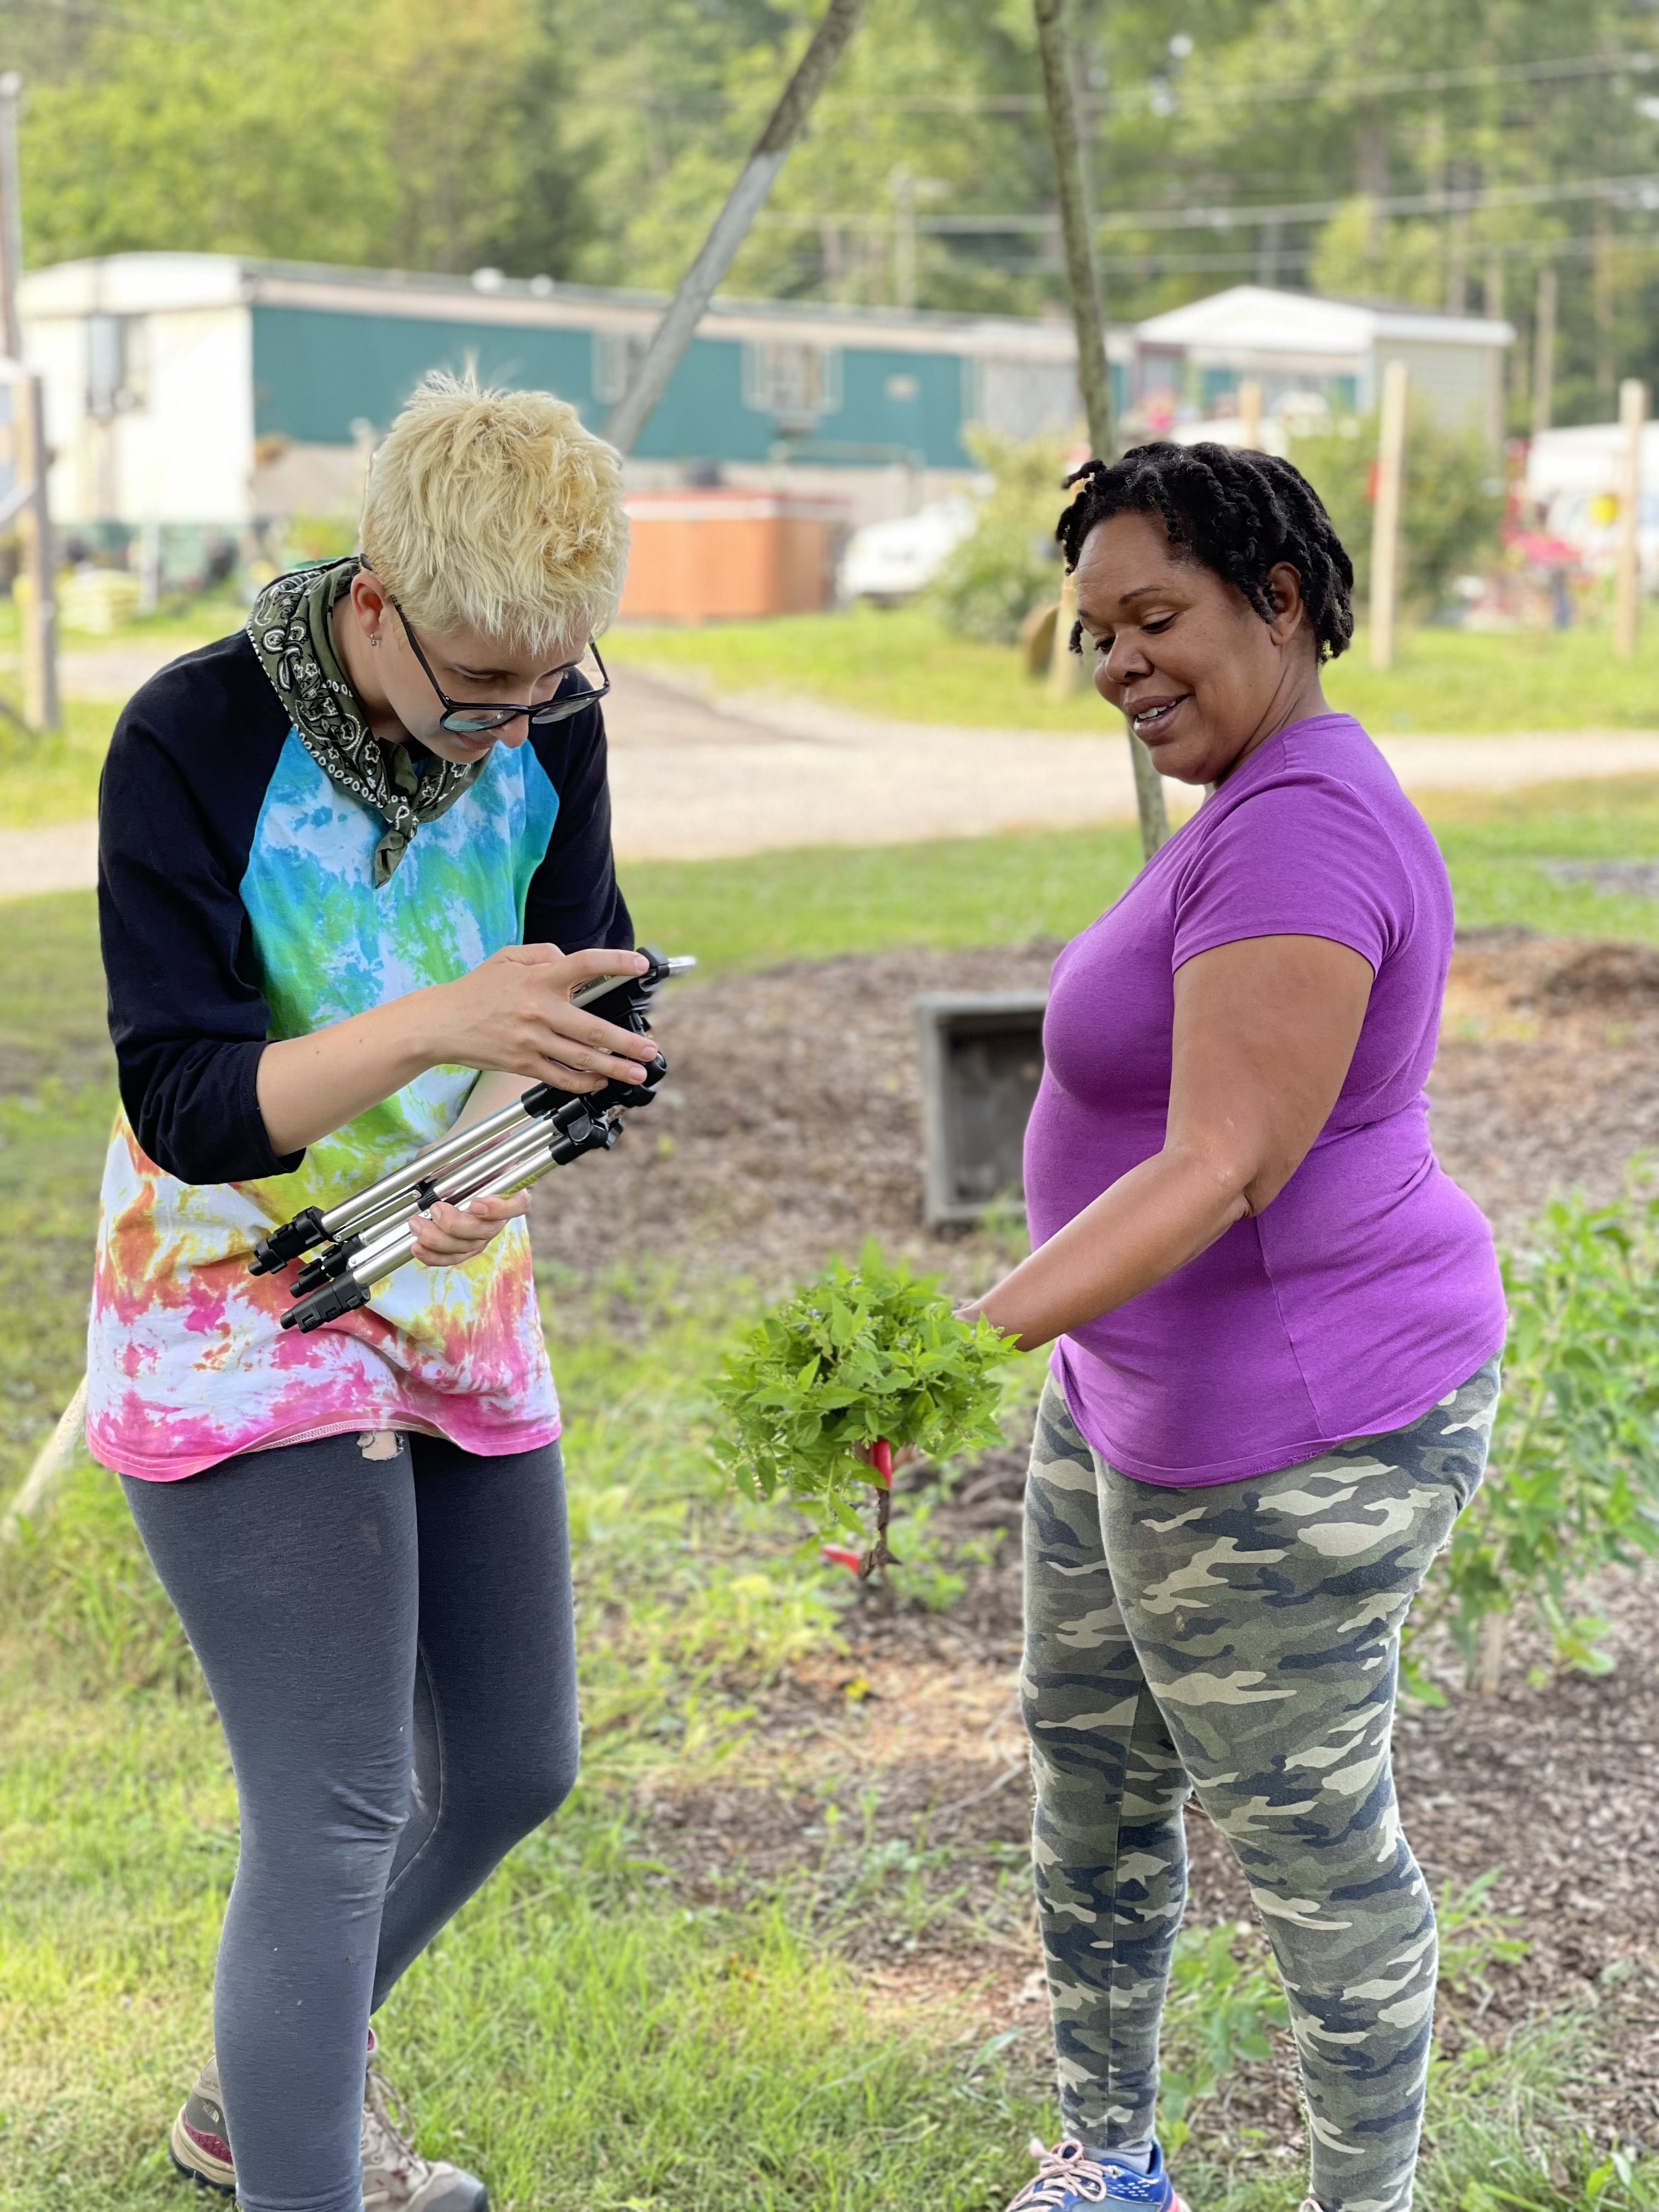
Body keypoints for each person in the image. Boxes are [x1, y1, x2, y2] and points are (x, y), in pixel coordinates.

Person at [89, 374, 658, 2212]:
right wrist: (437, 1023)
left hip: (449, 1285)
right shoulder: (188, 734)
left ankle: (261, 2109)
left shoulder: (548, 715)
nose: (516, 732)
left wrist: (506, 1130)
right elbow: (181, 1103)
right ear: (372, 606)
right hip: (231, 1306)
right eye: (481, 689)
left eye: (551, 687)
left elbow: (585, 987)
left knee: (509, 1765)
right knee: (339, 1811)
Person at [962, 443, 1506, 2212]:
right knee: (1096, 1781)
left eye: (1158, 618)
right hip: (1132, 1393)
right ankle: (1111, 2162)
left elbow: (1224, 1160)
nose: (1121, 664)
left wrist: (981, 1326)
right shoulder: (1249, 802)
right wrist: (1062, 1347)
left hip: (1293, 1428)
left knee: (1315, 1859)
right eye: (1095, 633)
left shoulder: (1311, 826)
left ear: (1281, 601)